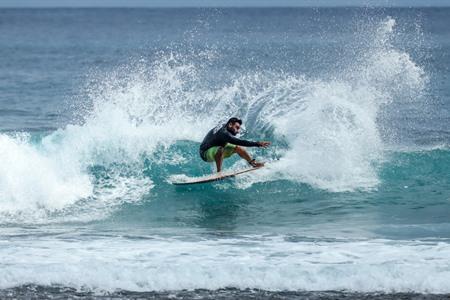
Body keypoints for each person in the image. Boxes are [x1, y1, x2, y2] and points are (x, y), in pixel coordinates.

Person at [199, 117, 270, 172]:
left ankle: (253, 163)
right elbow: (240, 141)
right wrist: (258, 144)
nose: (238, 131)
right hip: (205, 153)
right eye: (237, 128)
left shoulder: (224, 128)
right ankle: (219, 172)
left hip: (215, 148)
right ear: (230, 124)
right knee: (220, 149)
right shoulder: (224, 133)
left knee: (238, 148)